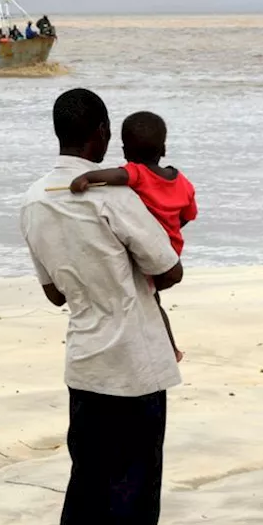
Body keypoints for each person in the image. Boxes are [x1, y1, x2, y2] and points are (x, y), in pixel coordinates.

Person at [20, 88, 182, 525]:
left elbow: (54, 296)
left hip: (85, 365)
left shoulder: (33, 201)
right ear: (102, 135)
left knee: (86, 492)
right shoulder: (116, 198)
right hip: (136, 365)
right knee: (135, 495)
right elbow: (168, 268)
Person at [69, 112, 196, 363]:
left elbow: (117, 176)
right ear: (165, 148)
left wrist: (86, 178)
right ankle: (170, 348)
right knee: (152, 299)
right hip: (171, 249)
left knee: (149, 299)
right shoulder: (182, 182)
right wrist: (171, 229)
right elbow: (188, 215)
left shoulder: (137, 173)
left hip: (147, 252)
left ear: (125, 150)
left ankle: (169, 350)